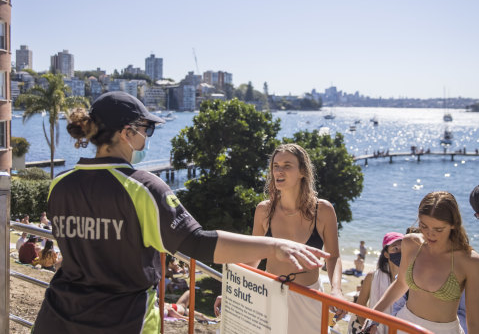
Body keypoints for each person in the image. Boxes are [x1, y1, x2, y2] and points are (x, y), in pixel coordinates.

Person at [32, 91, 329, 334]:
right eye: (146, 129)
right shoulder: (143, 188)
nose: (147, 138)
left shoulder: (59, 185)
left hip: (55, 318)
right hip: (122, 321)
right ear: (127, 132)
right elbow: (198, 242)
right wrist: (274, 245)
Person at [251, 143, 345, 333]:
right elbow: (253, 256)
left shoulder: (323, 210)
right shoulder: (264, 211)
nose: (279, 170)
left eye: (287, 165)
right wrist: (232, 290)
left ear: (302, 171)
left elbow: (333, 256)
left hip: (309, 298)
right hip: (271, 295)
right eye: (275, 166)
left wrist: (336, 290)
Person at [365, 191, 479, 334]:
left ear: (454, 224)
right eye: (424, 226)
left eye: (438, 229)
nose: (429, 234)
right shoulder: (411, 243)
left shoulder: (471, 261)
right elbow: (401, 284)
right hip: (404, 325)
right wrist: (374, 315)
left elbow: (474, 321)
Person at [349, 232, 405, 334]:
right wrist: (368, 328)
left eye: (403, 249)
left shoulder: (411, 279)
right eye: (395, 248)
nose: (400, 252)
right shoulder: (372, 277)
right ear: (386, 254)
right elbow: (360, 306)